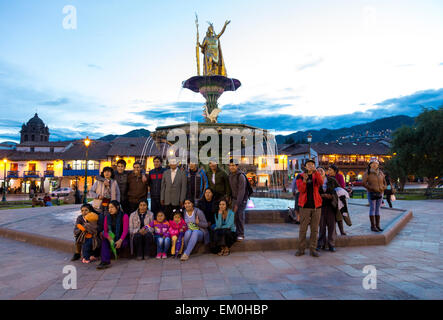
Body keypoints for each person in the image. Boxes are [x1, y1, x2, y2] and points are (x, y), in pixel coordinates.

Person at [294, 159, 323, 258]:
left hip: (316, 206)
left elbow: (321, 182)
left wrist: (316, 172)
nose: (310, 166)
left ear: (314, 166)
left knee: (315, 229)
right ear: (305, 166)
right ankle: (301, 249)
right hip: (305, 206)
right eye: (308, 164)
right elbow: (301, 190)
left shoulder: (316, 175)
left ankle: (313, 249)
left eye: (312, 164)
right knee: (303, 229)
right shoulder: (300, 176)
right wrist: (305, 181)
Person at [96, 201, 129, 270]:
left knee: (124, 243)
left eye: (112, 207)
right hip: (112, 239)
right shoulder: (107, 217)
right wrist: (109, 238)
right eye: (109, 208)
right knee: (105, 241)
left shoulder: (124, 216)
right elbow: (105, 231)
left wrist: (120, 240)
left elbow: (125, 231)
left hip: (122, 239)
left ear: (117, 207)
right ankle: (105, 262)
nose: (110, 209)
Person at [317, 167, 340, 252]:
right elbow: (313, 193)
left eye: (321, 170)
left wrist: (331, 196)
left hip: (331, 205)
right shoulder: (315, 181)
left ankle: (331, 244)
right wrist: (322, 196)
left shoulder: (332, 180)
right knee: (322, 226)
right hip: (320, 206)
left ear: (325, 172)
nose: (320, 172)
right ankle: (320, 244)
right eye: (318, 170)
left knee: (331, 226)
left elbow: (339, 190)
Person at [362, 159, 387, 232]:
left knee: (378, 209)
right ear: (369, 165)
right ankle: (373, 226)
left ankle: (378, 225)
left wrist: (383, 188)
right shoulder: (367, 173)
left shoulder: (381, 173)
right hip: (371, 193)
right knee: (372, 208)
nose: (374, 165)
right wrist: (371, 188)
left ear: (378, 164)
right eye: (372, 163)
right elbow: (363, 183)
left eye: (376, 163)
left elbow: (385, 182)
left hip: (380, 192)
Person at [228, 159, 248, 241]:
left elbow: (241, 191)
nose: (231, 167)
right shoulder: (230, 175)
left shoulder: (241, 176)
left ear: (237, 166)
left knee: (239, 215)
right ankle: (237, 232)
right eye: (230, 165)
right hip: (234, 198)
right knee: (235, 216)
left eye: (233, 165)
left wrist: (237, 204)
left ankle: (241, 234)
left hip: (242, 199)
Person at [327, 165, 347, 235]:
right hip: (330, 199)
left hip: (338, 198)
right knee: (332, 217)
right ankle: (334, 231)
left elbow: (341, 186)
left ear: (335, 171)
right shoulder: (327, 177)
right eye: (328, 170)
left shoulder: (339, 176)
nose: (328, 171)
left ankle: (342, 231)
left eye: (330, 170)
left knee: (339, 215)